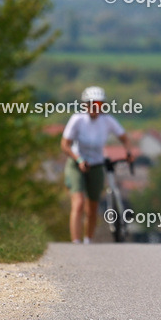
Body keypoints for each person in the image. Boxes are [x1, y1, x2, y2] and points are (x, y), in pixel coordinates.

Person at [60, 86, 133, 244]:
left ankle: (88, 240)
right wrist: (78, 159)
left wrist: (128, 152)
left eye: (99, 104)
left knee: (92, 207)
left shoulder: (107, 121)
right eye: (92, 104)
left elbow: (124, 138)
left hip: (96, 164)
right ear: (85, 105)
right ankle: (76, 242)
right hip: (76, 163)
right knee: (78, 202)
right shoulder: (78, 120)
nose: (95, 108)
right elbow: (65, 144)